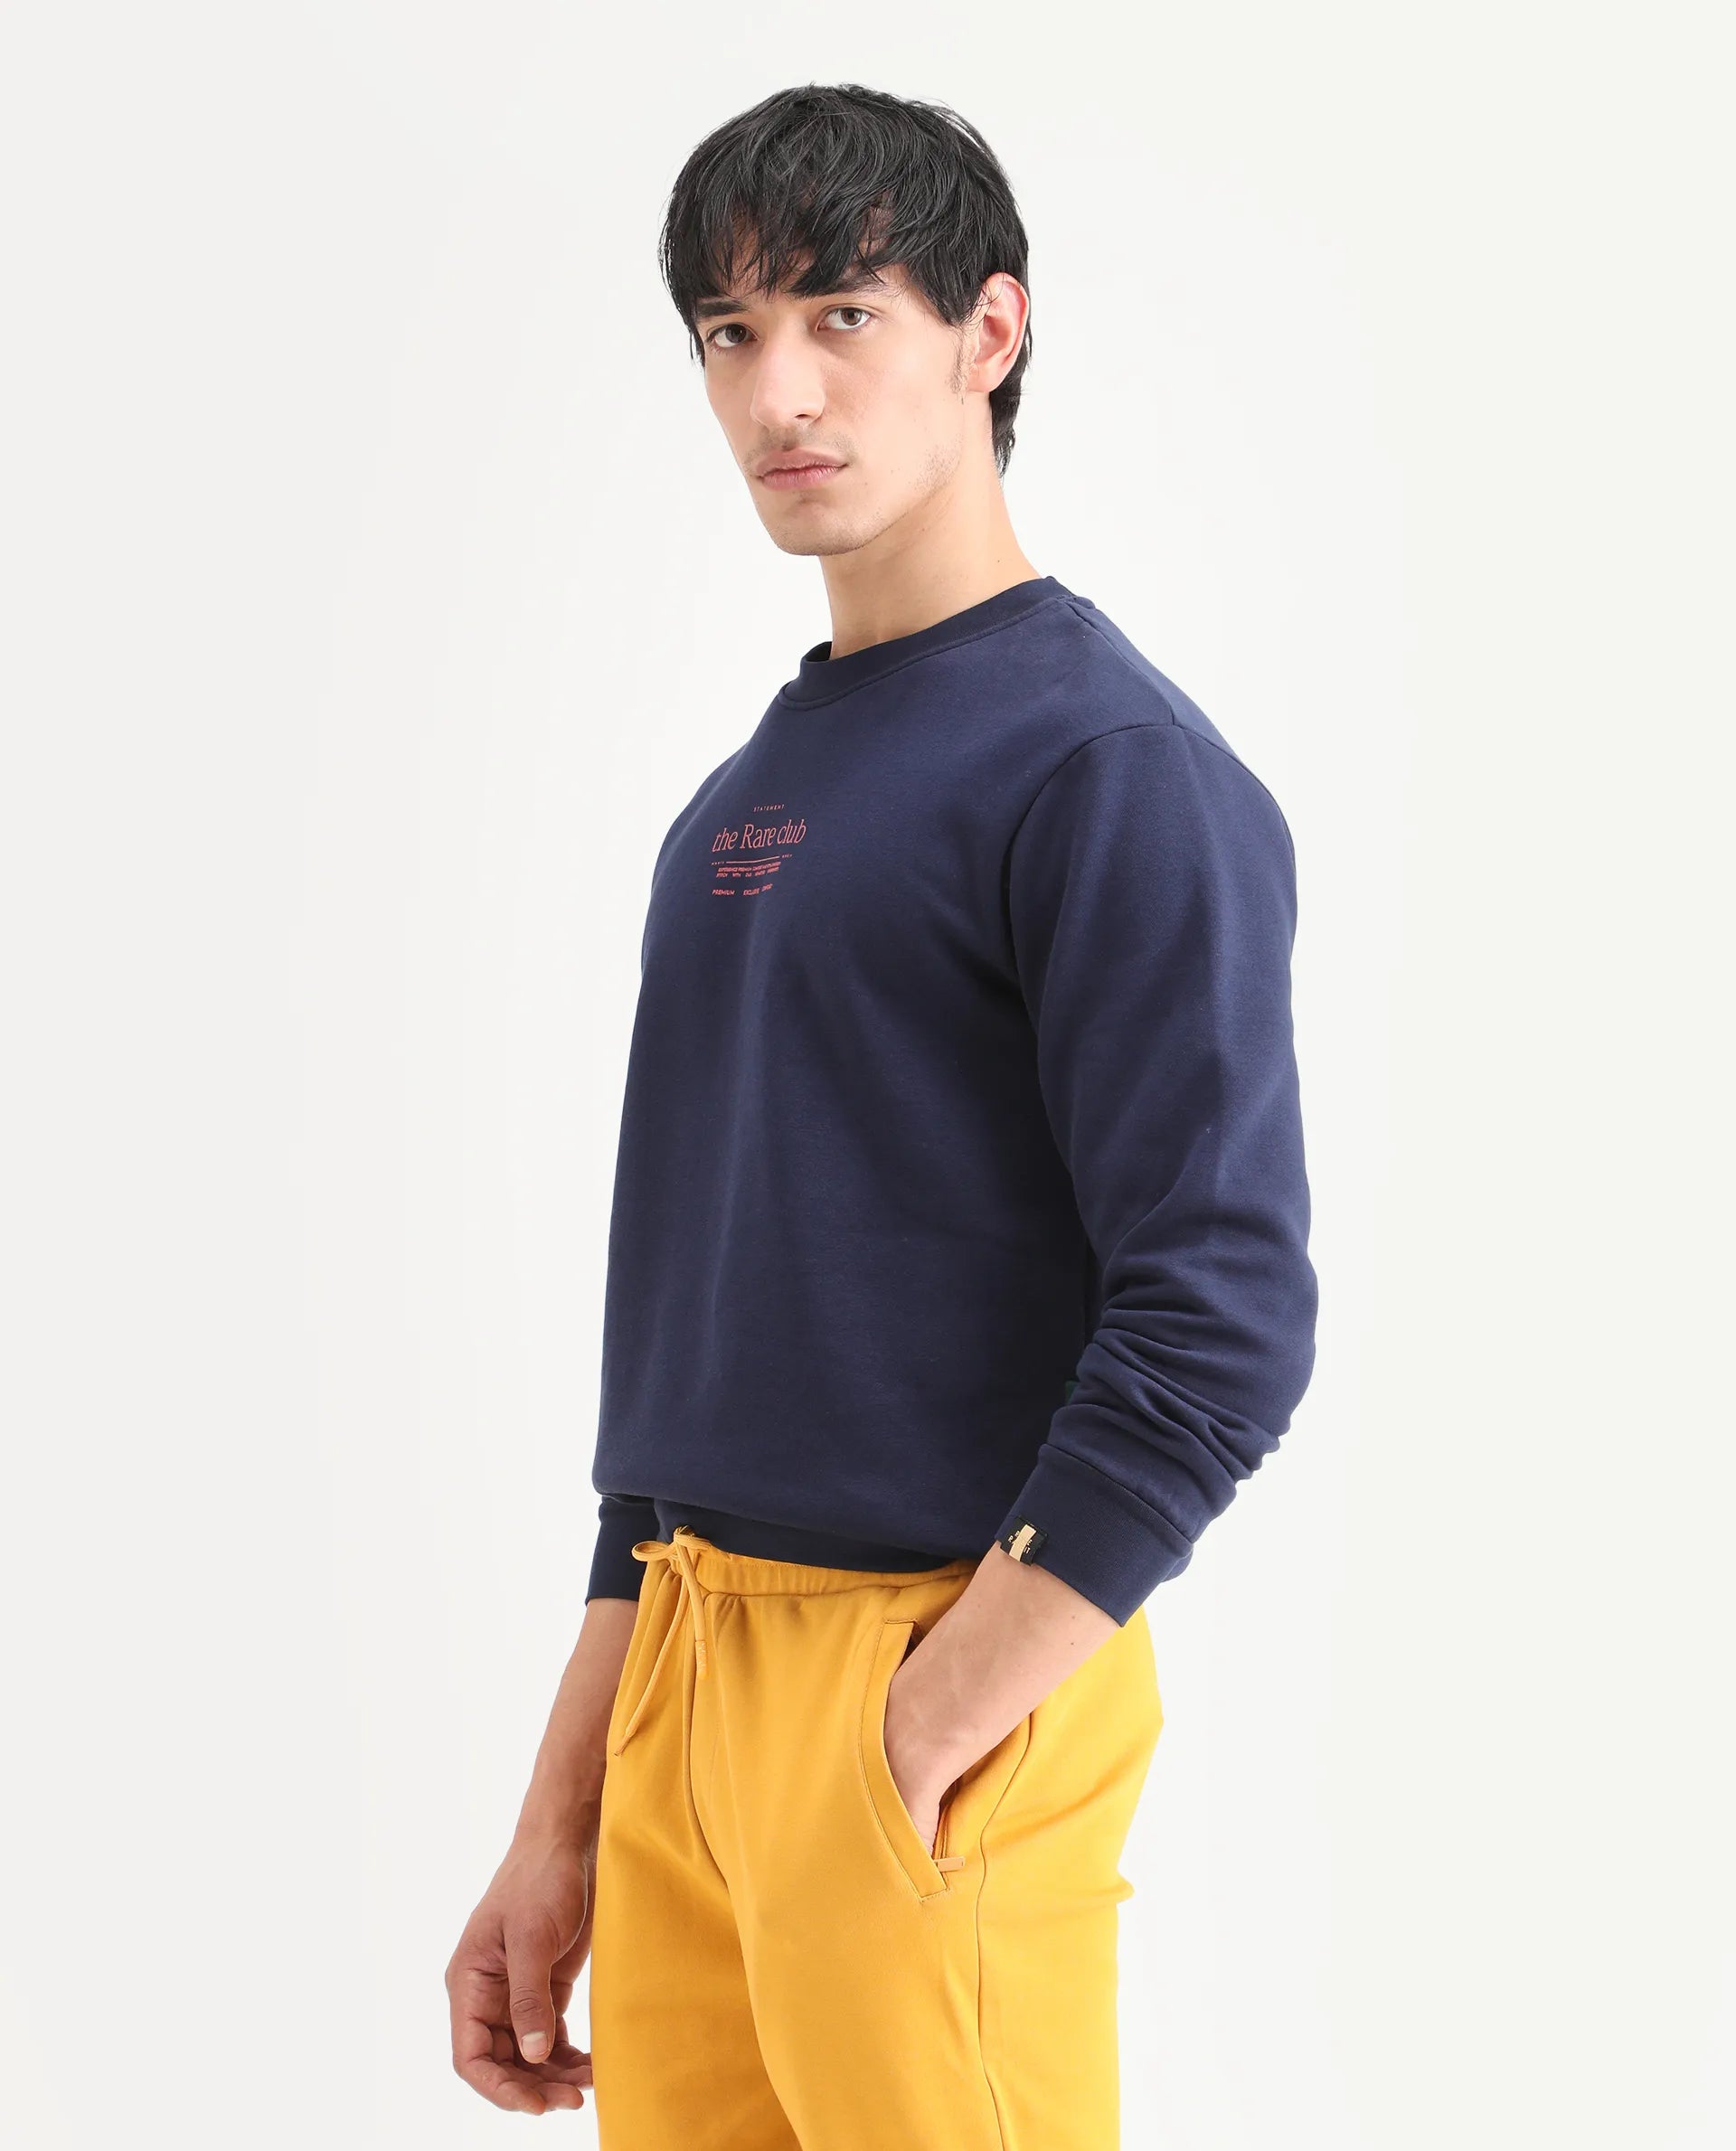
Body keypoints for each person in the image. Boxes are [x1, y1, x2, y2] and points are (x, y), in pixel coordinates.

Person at [446, 80, 1317, 2147]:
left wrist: (930, 1713)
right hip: (685, 1666)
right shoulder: (740, 799)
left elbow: (1220, 1315)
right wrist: (567, 1800)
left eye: (842, 314)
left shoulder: (1104, 765)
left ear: (988, 331)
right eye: (730, 333)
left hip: (936, 1659)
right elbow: (687, 1361)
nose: (779, 392)